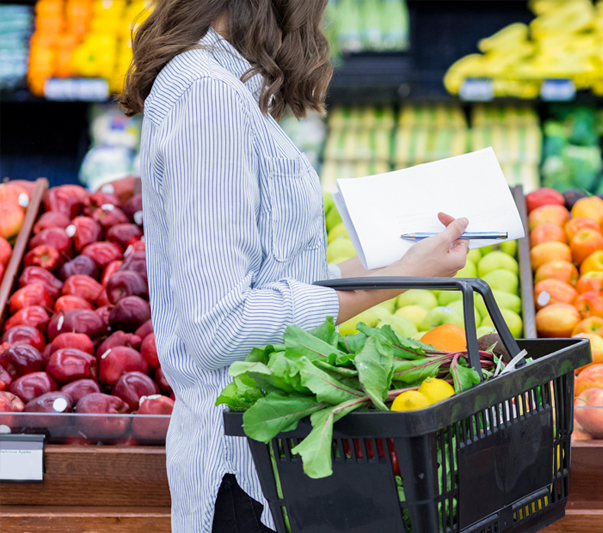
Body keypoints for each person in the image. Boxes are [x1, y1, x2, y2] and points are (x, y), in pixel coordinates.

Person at [119, 1, 468, 531]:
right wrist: (391, 284)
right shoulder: (207, 97)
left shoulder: (214, 82)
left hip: (267, 467)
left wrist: (402, 267)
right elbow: (222, 325)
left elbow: (272, 282)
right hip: (241, 478)